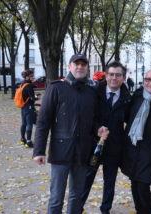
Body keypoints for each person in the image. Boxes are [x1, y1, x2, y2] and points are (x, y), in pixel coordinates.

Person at [33, 53, 109, 214]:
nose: (80, 67)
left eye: (83, 64)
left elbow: (93, 119)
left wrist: (98, 129)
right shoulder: (56, 88)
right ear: (69, 67)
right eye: (76, 64)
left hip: (83, 153)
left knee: (76, 196)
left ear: (87, 68)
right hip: (61, 152)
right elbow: (43, 121)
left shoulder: (91, 93)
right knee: (56, 198)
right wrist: (39, 150)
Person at [80, 61, 132, 214]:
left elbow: (130, 122)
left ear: (124, 77)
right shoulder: (94, 93)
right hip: (93, 145)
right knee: (86, 179)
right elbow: (88, 117)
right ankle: (78, 206)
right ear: (106, 75)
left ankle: (105, 210)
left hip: (115, 146)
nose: (114, 78)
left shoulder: (128, 99)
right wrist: (97, 129)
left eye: (118, 75)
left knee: (110, 182)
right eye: (111, 74)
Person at [121, 69, 151, 214]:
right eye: (148, 79)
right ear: (144, 80)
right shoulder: (137, 97)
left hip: (149, 151)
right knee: (134, 184)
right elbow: (127, 118)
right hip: (132, 148)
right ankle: (139, 211)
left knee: (143, 186)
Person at [20, 69, 40, 148]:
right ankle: (28, 142)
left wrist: (34, 96)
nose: (33, 77)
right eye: (31, 76)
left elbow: (26, 96)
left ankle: (23, 139)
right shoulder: (29, 85)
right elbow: (32, 98)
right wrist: (37, 98)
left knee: (24, 124)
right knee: (29, 124)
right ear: (27, 77)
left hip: (23, 107)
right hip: (29, 107)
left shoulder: (22, 84)